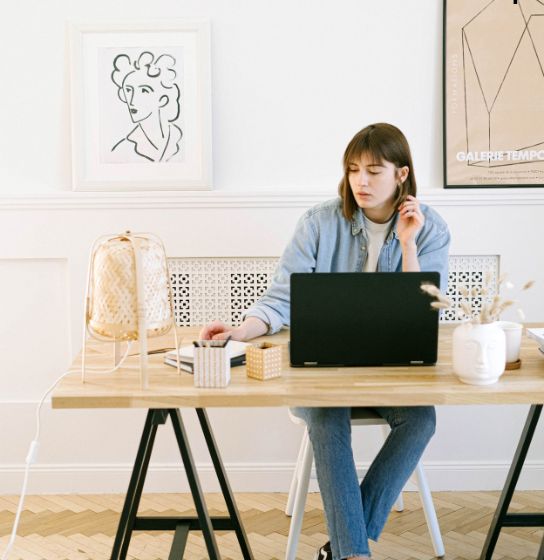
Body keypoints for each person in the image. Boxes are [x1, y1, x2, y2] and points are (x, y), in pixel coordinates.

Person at [200, 123, 450, 560]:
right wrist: (241, 331)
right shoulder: (319, 222)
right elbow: (280, 300)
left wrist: (408, 246)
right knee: (324, 414)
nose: (361, 181)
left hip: (391, 373)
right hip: (323, 372)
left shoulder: (430, 229)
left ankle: (345, 543)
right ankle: (353, 554)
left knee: (422, 420)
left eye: (374, 170)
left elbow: (422, 313)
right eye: (354, 169)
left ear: (402, 175)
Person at [110, 51, 182, 162]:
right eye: (128, 90)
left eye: (144, 90)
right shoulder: (122, 150)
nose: (132, 100)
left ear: (163, 99)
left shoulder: (182, 140)